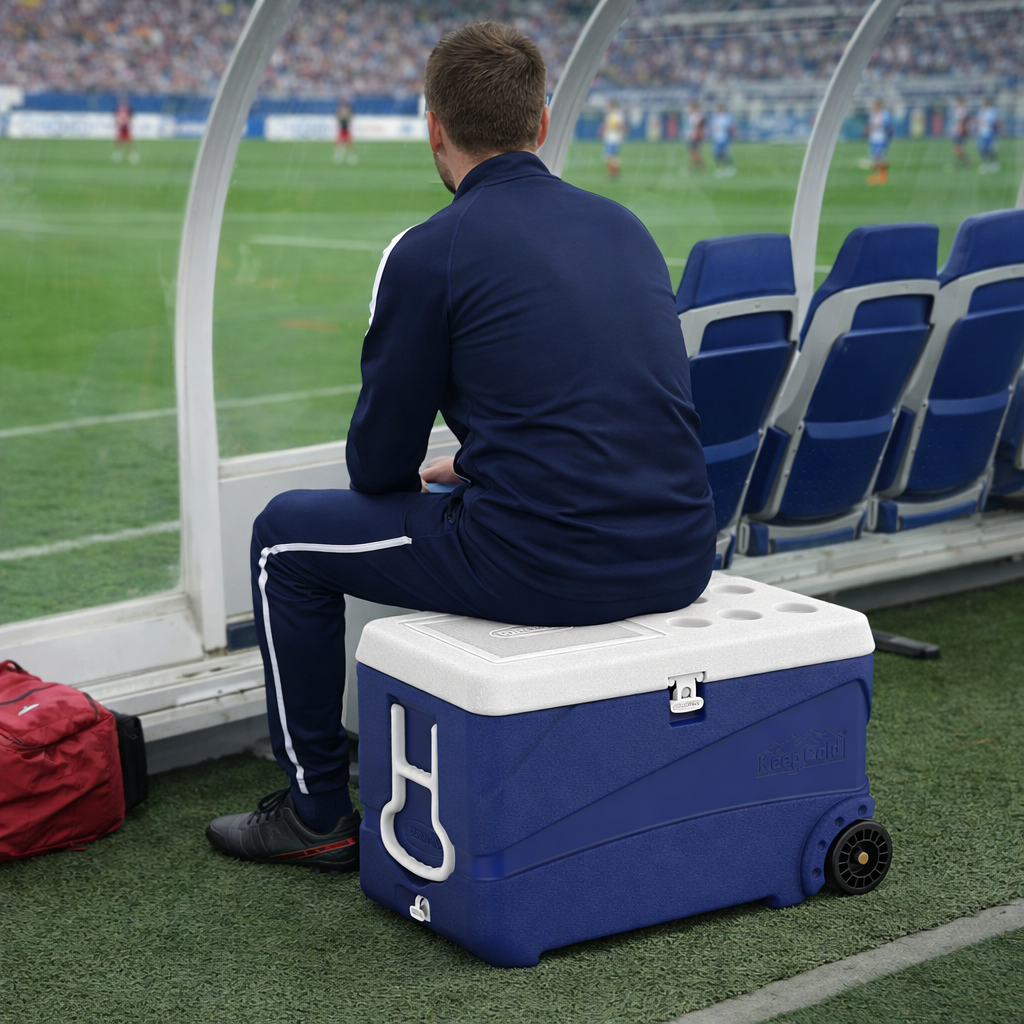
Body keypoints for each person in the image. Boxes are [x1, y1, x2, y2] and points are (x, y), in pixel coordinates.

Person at [205, 22, 716, 872]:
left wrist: (468, 469)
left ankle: (317, 813)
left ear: (432, 127)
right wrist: (483, 461)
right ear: (542, 123)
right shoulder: (624, 226)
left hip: (547, 563)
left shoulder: (428, 251)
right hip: (680, 550)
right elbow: (613, 406)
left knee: (283, 538)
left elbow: (376, 467)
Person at [865, 99, 892, 186]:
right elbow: (870, 125)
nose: (873, 107)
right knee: (874, 158)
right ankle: (874, 176)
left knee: (880, 159)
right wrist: (867, 131)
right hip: (873, 139)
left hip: (881, 139)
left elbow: (888, 126)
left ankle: (883, 176)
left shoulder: (884, 114)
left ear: (879, 106)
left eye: (875, 105)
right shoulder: (873, 114)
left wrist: (887, 137)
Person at [976, 97, 1002, 174]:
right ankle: (985, 163)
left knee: (990, 149)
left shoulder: (993, 111)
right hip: (982, 133)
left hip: (990, 133)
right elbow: (978, 120)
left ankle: (993, 163)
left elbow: (995, 121)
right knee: (981, 149)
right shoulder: (981, 111)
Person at [601, 100, 625, 178]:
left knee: (609, 156)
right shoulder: (611, 114)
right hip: (610, 137)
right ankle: (614, 173)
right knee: (610, 157)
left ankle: (614, 174)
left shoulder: (616, 114)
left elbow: (620, 125)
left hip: (614, 138)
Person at [710, 104, 736, 178]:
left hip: (724, 138)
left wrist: (733, 134)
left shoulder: (726, 117)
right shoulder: (714, 117)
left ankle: (730, 166)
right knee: (715, 154)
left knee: (723, 153)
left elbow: (731, 127)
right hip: (716, 138)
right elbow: (712, 126)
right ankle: (719, 168)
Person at [112, 96, 138, 164]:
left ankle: (132, 155)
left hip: (127, 126)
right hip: (120, 127)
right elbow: (115, 117)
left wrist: (128, 122)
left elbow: (131, 117)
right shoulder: (117, 109)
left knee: (129, 141)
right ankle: (118, 154)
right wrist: (118, 123)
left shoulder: (129, 109)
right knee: (119, 141)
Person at [684, 100, 706, 174]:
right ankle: (698, 168)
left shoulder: (697, 115)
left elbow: (699, 125)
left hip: (695, 136)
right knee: (692, 153)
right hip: (692, 136)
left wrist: (697, 133)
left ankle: (700, 167)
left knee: (695, 153)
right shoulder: (694, 114)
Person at [950, 95, 970, 170]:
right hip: (956, 131)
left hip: (961, 132)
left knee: (959, 149)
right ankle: (964, 163)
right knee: (956, 149)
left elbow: (964, 120)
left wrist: (962, 128)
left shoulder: (963, 110)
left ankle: (965, 163)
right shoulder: (958, 110)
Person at [334, 99, 356, 164]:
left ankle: (351, 158)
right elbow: (338, 118)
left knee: (349, 145)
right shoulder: (339, 109)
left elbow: (350, 118)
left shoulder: (349, 109)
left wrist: (345, 115)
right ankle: (338, 158)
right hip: (341, 129)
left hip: (347, 129)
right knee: (339, 145)